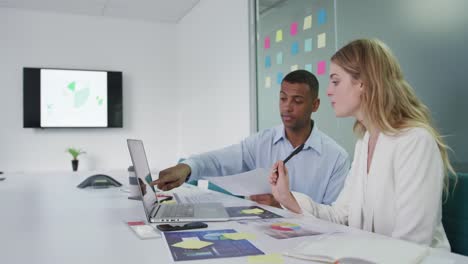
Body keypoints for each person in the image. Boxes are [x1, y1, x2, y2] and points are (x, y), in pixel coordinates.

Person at [270, 39, 454, 249]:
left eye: (336, 81)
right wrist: (287, 197)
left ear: (363, 83)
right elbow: (340, 217)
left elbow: (411, 243)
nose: (328, 91)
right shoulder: (365, 143)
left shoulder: (415, 141)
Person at [152, 70, 350, 206]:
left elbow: (335, 217)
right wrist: (187, 167)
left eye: (297, 101)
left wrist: (285, 206)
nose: (287, 107)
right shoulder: (261, 142)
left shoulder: (336, 157)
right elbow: (220, 160)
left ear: (315, 105)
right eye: (283, 99)